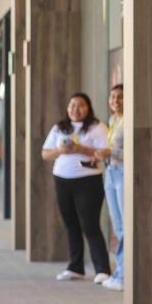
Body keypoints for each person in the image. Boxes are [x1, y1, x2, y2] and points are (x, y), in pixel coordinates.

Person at [41, 92, 110, 284]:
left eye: (80, 105)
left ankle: (102, 269)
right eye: (72, 105)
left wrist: (81, 149)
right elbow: (45, 154)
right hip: (62, 181)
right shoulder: (59, 127)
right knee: (71, 224)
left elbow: (105, 152)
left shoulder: (97, 127)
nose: (75, 109)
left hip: (88, 181)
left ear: (88, 108)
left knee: (90, 225)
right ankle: (75, 267)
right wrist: (60, 151)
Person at [95, 84, 124, 291]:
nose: (115, 101)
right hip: (111, 173)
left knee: (124, 227)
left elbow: (133, 151)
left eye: (120, 97)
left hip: (123, 173)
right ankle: (121, 272)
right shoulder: (113, 120)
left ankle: (123, 274)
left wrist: (110, 154)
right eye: (112, 97)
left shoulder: (128, 121)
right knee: (117, 225)